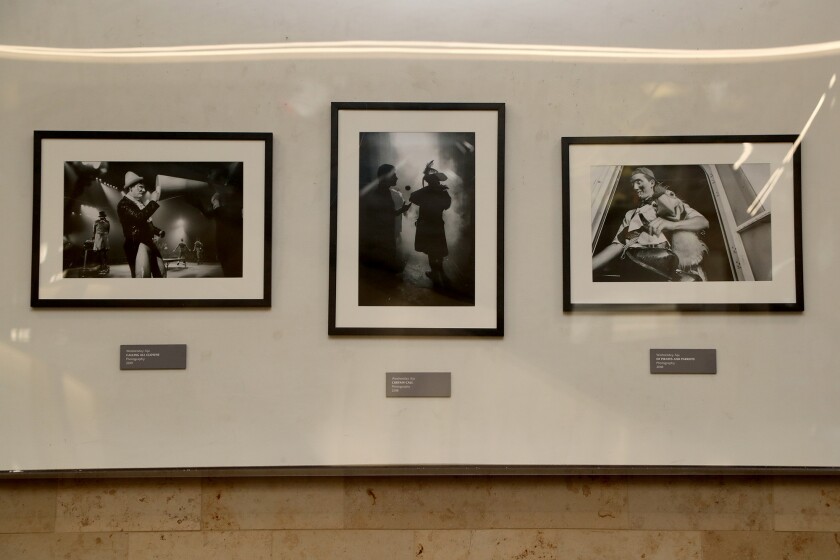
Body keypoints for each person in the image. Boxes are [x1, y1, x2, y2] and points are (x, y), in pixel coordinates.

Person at [592, 167, 709, 281]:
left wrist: (671, 224)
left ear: (651, 182)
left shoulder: (670, 202)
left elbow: (703, 222)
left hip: (674, 274)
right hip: (640, 272)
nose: (635, 187)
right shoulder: (632, 215)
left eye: (639, 182)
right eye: (633, 183)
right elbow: (618, 245)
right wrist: (587, 268)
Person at [359, 164, 410, 273]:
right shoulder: (381, 193)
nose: (396, 178)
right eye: (394, 175)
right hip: (382, 240)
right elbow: (384, 216)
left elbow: (387, 214)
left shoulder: (384, 191)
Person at [409, 161, 452, 287]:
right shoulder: (441, 192)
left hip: (429, 225)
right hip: (435, 224)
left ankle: (436, 271)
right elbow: (447, 205)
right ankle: (438, 271)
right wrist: (433, 190)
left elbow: (413, 197)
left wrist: (429, 189)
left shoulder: (428, 192)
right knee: (435, 248)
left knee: (432, 249)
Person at [117, 171, 165, 278]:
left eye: (143, 188)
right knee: (142, 276)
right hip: (136, 244)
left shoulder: (139, 203)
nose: (143, 190)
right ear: (130, 188)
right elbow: (139, 217)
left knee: (161, 273)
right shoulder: (124, 204)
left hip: (148, 242)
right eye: (140, 187)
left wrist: (157, 231)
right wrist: (153, 201)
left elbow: (145, 222)